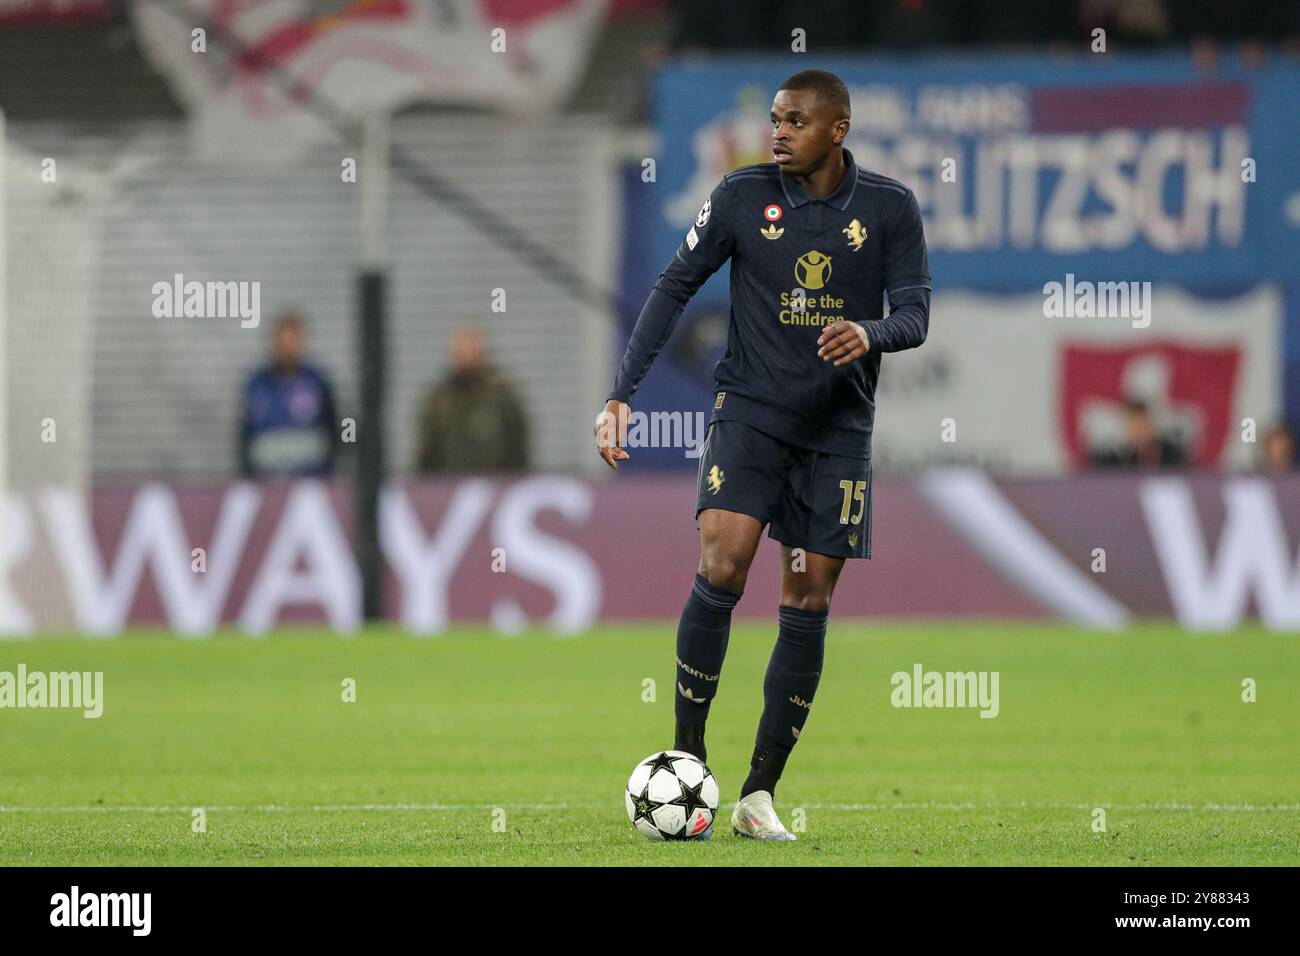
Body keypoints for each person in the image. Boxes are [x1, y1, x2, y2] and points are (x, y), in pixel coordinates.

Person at [593, 70, 930, 840]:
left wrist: (870, 332)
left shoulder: (888, 209)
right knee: (722, 560)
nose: (779, 132)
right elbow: (675, 285)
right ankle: (688, 757)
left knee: (808, 596)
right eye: (775, 119)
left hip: (838, 428)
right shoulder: (743, 196)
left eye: (796, 121)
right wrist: (622, 393)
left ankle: (758, 794)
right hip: (750, 411)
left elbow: (915, 312)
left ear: (837, 129)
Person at [415, 325, 529, 474]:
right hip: (448, 486)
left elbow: (517, 445)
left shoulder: (501, 397)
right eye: (461, 350)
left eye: (471, 349)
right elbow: (426, 451)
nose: (467, 356)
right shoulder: (439, 399)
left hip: (495, 483)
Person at [238, 312, 339, 478]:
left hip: (312, 480)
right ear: (274, 342)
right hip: (267, 480)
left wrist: (332, 466)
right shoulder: (256, 384)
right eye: (282, 341)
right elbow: (245, 434)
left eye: (292, 341)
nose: (287, 348)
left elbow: (338, 426)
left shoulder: (318, 381)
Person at [1089, 399, 1186, 470]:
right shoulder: (1111, 460)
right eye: (1135, 427)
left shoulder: (1170, 455)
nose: (1139, 432)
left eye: (1143, 426)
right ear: (1126, 427)